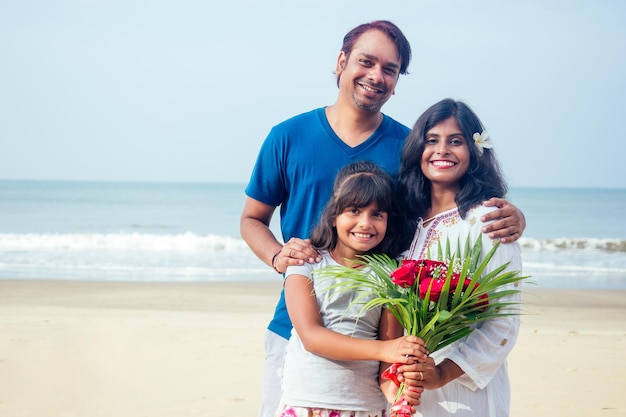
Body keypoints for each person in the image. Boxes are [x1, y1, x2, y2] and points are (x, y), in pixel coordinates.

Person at [240, 20, 526, 417]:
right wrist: (279, 257)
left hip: (380, 336)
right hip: (295, 326)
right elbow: (252, 218)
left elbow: (444, 211)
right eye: (366, 61)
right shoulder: (287, 136)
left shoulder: (409, 149)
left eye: (389, 69)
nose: (376, 76)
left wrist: (510, 215)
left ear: (396, 81)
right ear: (341, 62)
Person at [396, 98, 524, 416]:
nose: (442, 151)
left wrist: (441, 374)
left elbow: (502, 322)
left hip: (462, 393)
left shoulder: (488, 220)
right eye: (432, 140)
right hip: (402, 387)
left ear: (475, 151)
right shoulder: (402, 222)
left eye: (456, 141)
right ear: (417, 149)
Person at [277, 161, 428, 417]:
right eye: (354, 210)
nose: (365, 223)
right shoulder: (307, 265)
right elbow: (311, 337)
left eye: (377, 214)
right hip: (305, 403)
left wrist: (397, 393)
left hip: (364, 408)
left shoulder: (391, 275)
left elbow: (388, 356)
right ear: (334, 216)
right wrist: (386, 350)